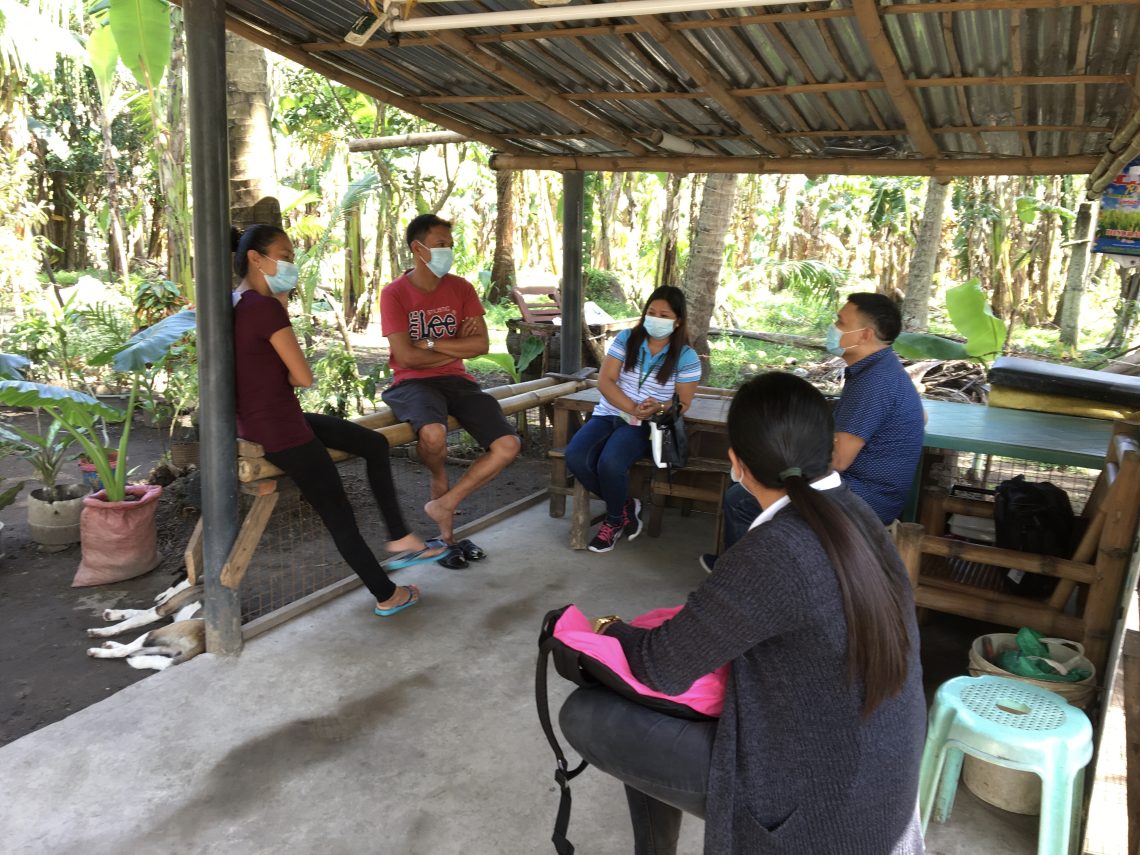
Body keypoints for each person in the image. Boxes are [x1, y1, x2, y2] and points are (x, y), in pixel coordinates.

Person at [559, 372, 926, 855]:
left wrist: (611, 628)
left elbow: (662, 665)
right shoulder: (854, 513)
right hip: (881, 778)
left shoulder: (777, 549)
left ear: (737, 463)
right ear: (827, 445)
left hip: (816, 807)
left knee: (588, 713)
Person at [232, 224, 440, 617]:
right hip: (281, 431)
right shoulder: (264, 309)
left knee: (373, 444)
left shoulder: (237, 302)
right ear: (256, 259)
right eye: (285, 256)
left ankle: (398, 535)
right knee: (339, 514)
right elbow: (303, 377)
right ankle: (386, 594)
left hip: (269, 419)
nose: (291, 265)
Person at [701, 292, 924, 572]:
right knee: (750, 482)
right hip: (869, 489)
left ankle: (741, 576)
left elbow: (839, 460)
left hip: (866, 498)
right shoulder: (881, 370)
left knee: (742, 498)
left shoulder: (874, 383)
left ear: (865, 334)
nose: (834, 327)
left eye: (841, 322)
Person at [380, 213, 521, 551]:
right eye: (440, 245)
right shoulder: (394, 294)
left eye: (450, 245)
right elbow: (407, 359)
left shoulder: (461, 288)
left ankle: (445, 503)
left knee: (508, 446)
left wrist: (430, 344)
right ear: (418, 248)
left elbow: (481, 346)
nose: (448, 251)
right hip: (412, 383)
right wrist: (454, 346)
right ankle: (438, 475)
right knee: (432, 433)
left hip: (457, 381)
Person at [564, 285, 701, 553]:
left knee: (610, 464)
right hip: (610, 412)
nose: (656, 319)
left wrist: (658, 406)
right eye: (651, 312)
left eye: (664, 315)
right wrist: (630, 406)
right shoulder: (627, 339)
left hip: (647, 424)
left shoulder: (686, 357)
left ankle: (613, 521)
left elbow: (682, 402)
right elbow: (605, 380)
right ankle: (625, 505)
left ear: (678, 321)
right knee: (575, 456)